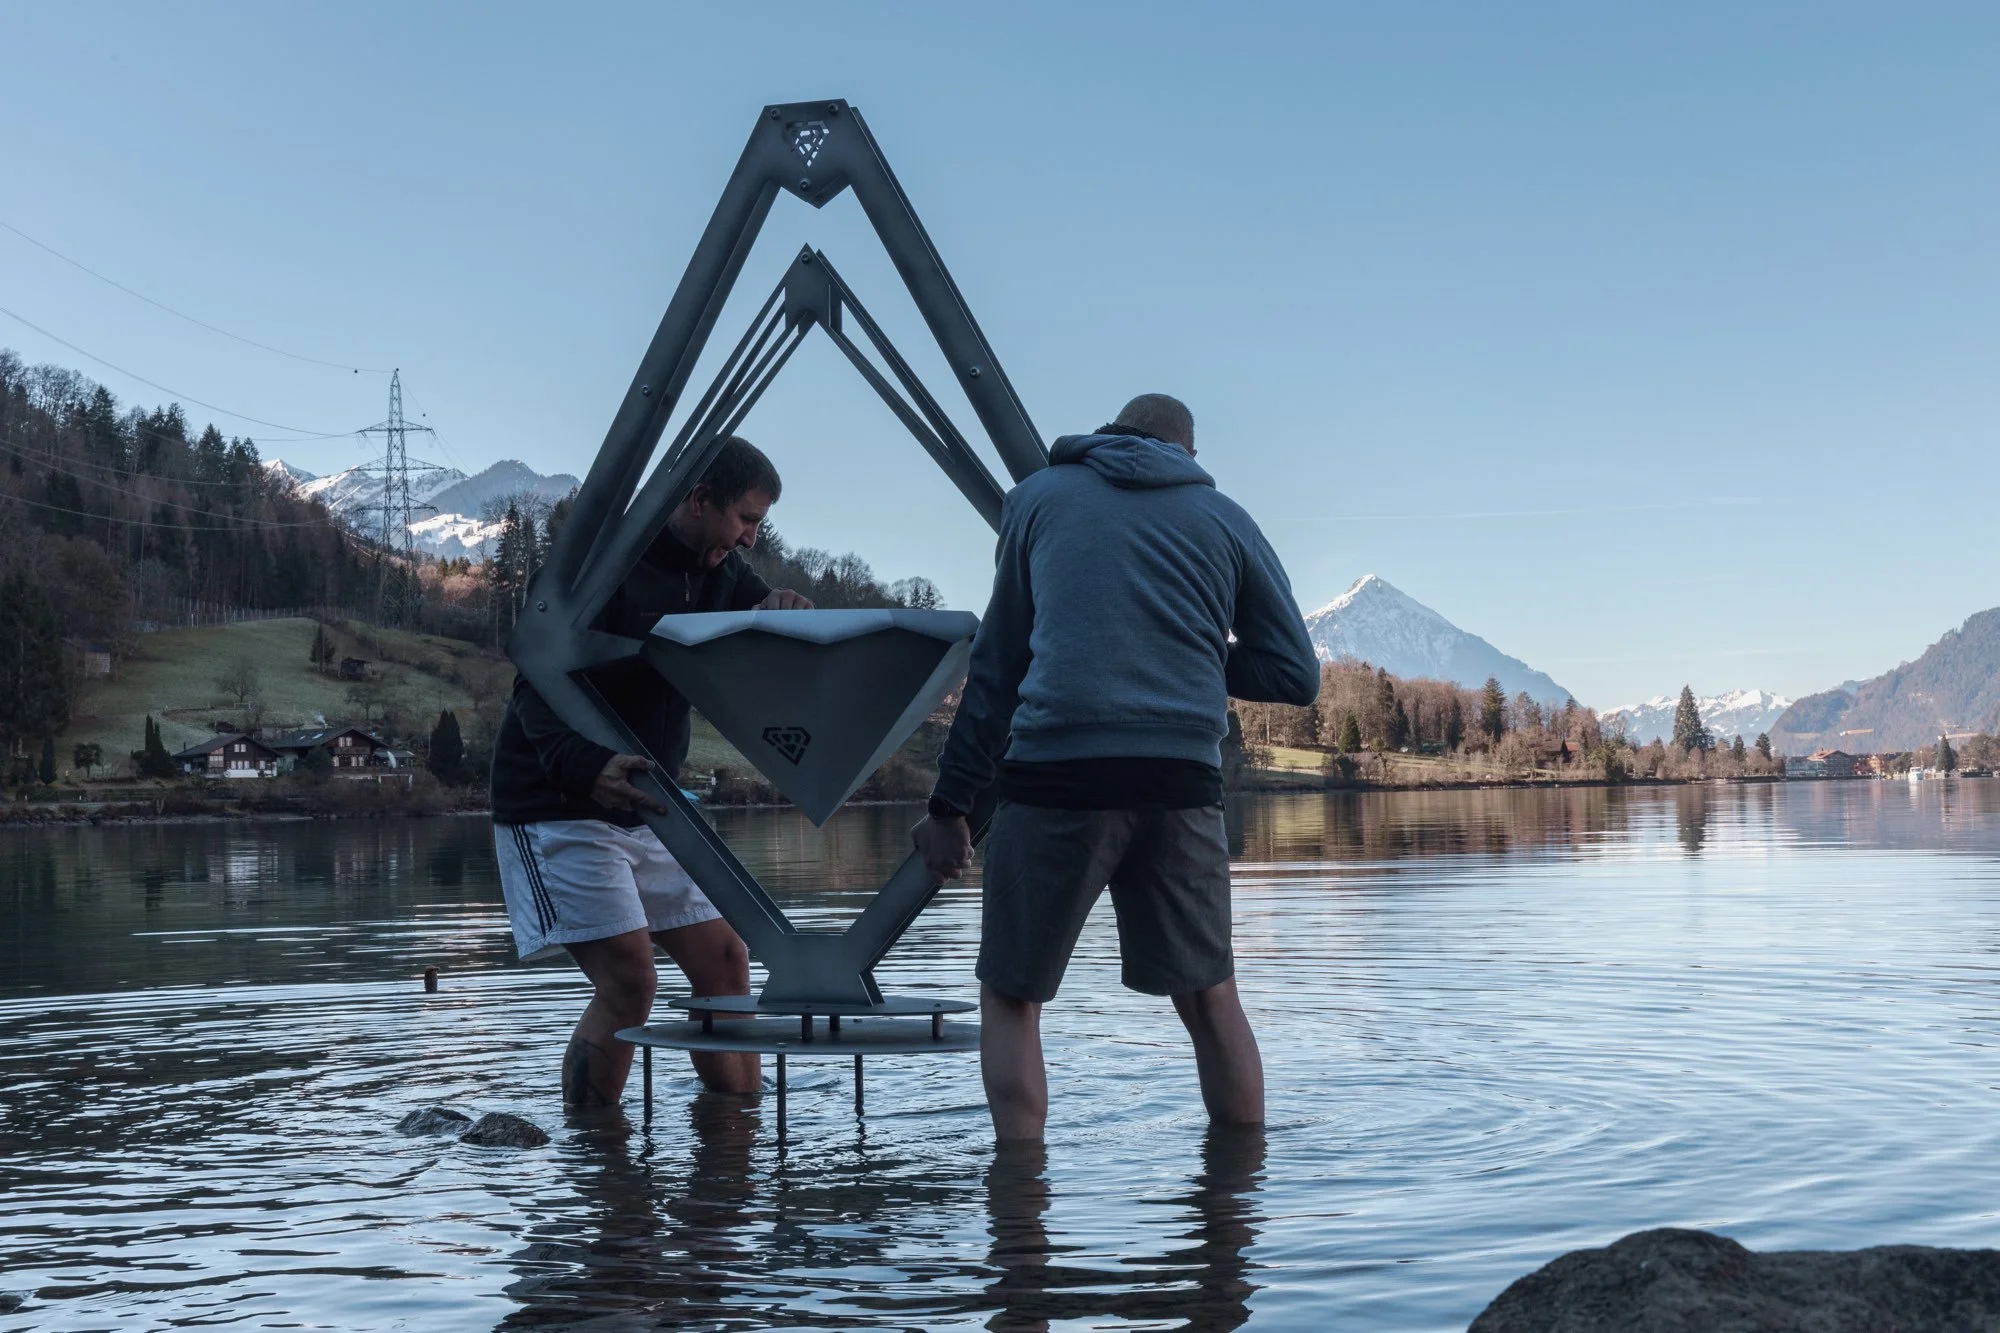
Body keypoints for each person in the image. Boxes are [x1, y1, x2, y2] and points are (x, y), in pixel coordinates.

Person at [912, 394, 1319, 1142]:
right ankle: (1231, 1230)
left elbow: (997, 668)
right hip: (1180, 785)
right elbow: (1296, 672)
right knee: (1210, 997)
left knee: (1011, 996)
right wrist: (1188, 646)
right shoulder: (1226, 519)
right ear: (1189, 459)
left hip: (1056, 778)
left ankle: (1020, 1222)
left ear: (1107, 434)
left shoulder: (1036, 500)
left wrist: (950, 805)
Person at [490, 436, 812, 1110]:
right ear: (698, 500)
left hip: (650, 802)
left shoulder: (720, 569)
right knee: (629, 981)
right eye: (746, 519)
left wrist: (781, 611)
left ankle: (735, 1154)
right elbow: (533, 685)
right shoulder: (602, 565)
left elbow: (757, 624)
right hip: (557, 800)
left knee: (726, 960)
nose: (751, 537)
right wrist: (586, 767)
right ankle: (595, 1156)